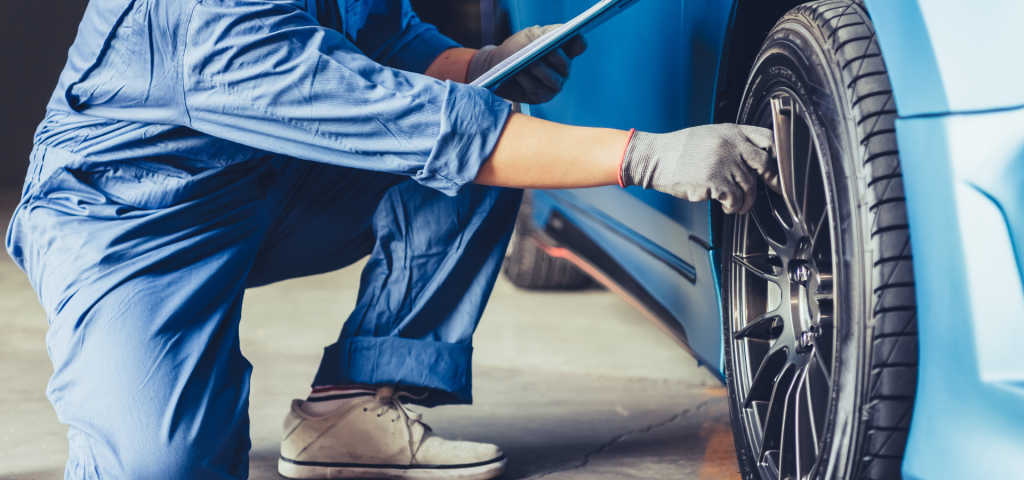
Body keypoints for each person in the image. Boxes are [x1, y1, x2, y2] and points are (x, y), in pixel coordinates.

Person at [7, 1, 778, 479]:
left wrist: (482, 64)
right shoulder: (209, 10)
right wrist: (639, 156)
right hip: (135, 218)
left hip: (273, 180)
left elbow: (387, 46)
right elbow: (410, 124)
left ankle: (350, 411)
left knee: (476, 122)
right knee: (159, 468)